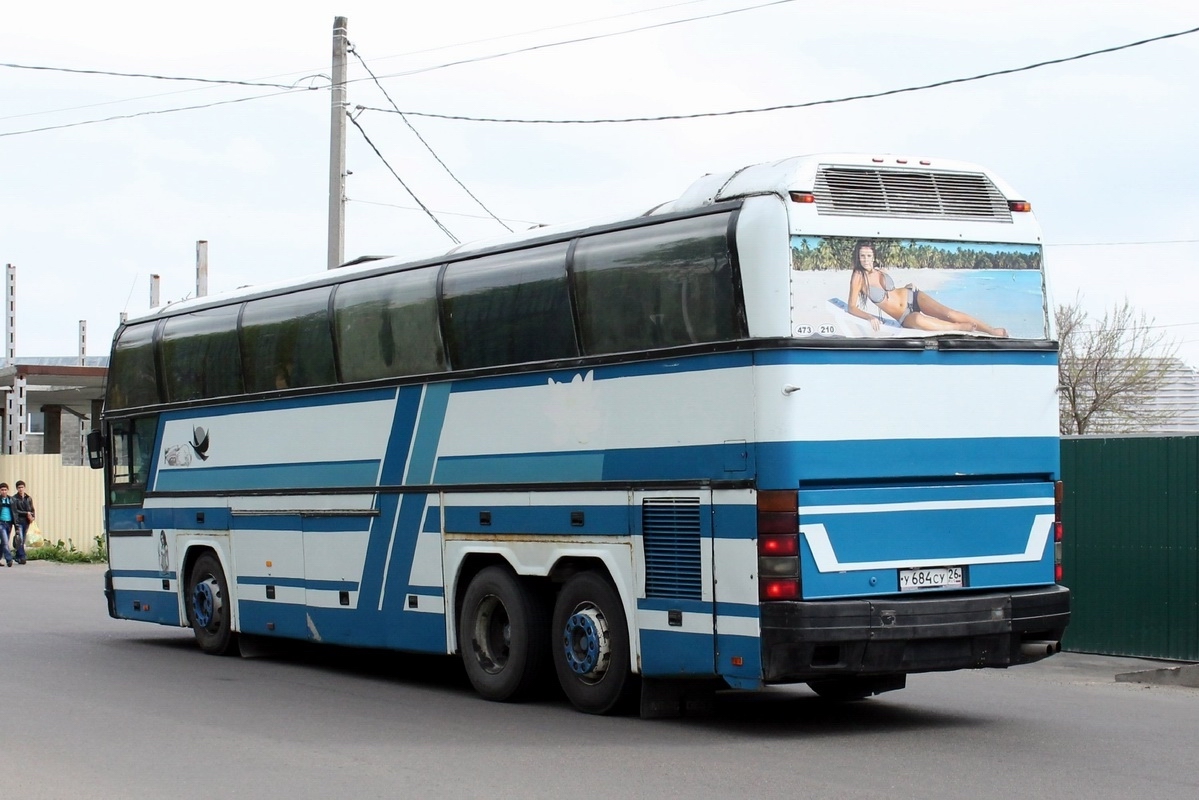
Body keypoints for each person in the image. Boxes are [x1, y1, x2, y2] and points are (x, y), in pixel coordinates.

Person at [846, 241, 1007, 337]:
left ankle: (991, 331)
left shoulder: (880, 270)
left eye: (868, 256)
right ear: (858, 257)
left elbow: (892, 292)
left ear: (873, 256)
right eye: (862, 256)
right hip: (903, 316)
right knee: (918, 320)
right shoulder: (858, 277)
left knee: (950, 313)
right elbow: (851, 307)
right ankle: (958, 328)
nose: (865, 260)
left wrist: (907, 286)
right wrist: (869, 317)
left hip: (912, 296)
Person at [12, 480, 34, 566]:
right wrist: (26, 513)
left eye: (22, 487)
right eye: (19, 488)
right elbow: (15, 511)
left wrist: (32, 517)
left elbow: (32, 509)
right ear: (17, 489)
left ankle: (17, 556)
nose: (21, 489)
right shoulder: (14, 499)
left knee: (22, 539)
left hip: (26, 521)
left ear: (24, 488)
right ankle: (22, 556)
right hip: (19, 522)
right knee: (20, 539)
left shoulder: (28, 498)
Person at [0, 483, 14, 568]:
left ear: (7, 490)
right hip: (1, 523)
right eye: (2, 490)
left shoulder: (11, 500)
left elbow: (15, 512)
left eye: (5, 490)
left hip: (9, 524)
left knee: (3, 543)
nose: (4, 491)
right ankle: (9, 559)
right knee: (5, 542)